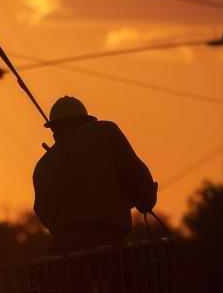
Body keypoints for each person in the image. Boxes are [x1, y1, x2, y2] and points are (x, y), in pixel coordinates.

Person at [32, 96, 157, 254]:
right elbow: (137, 178)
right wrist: (144, 201)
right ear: (87, 118)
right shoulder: (106, 132)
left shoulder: (43, 166)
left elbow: (42, 210)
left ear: (53, 128)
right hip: (109, 246)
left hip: (64, 255)